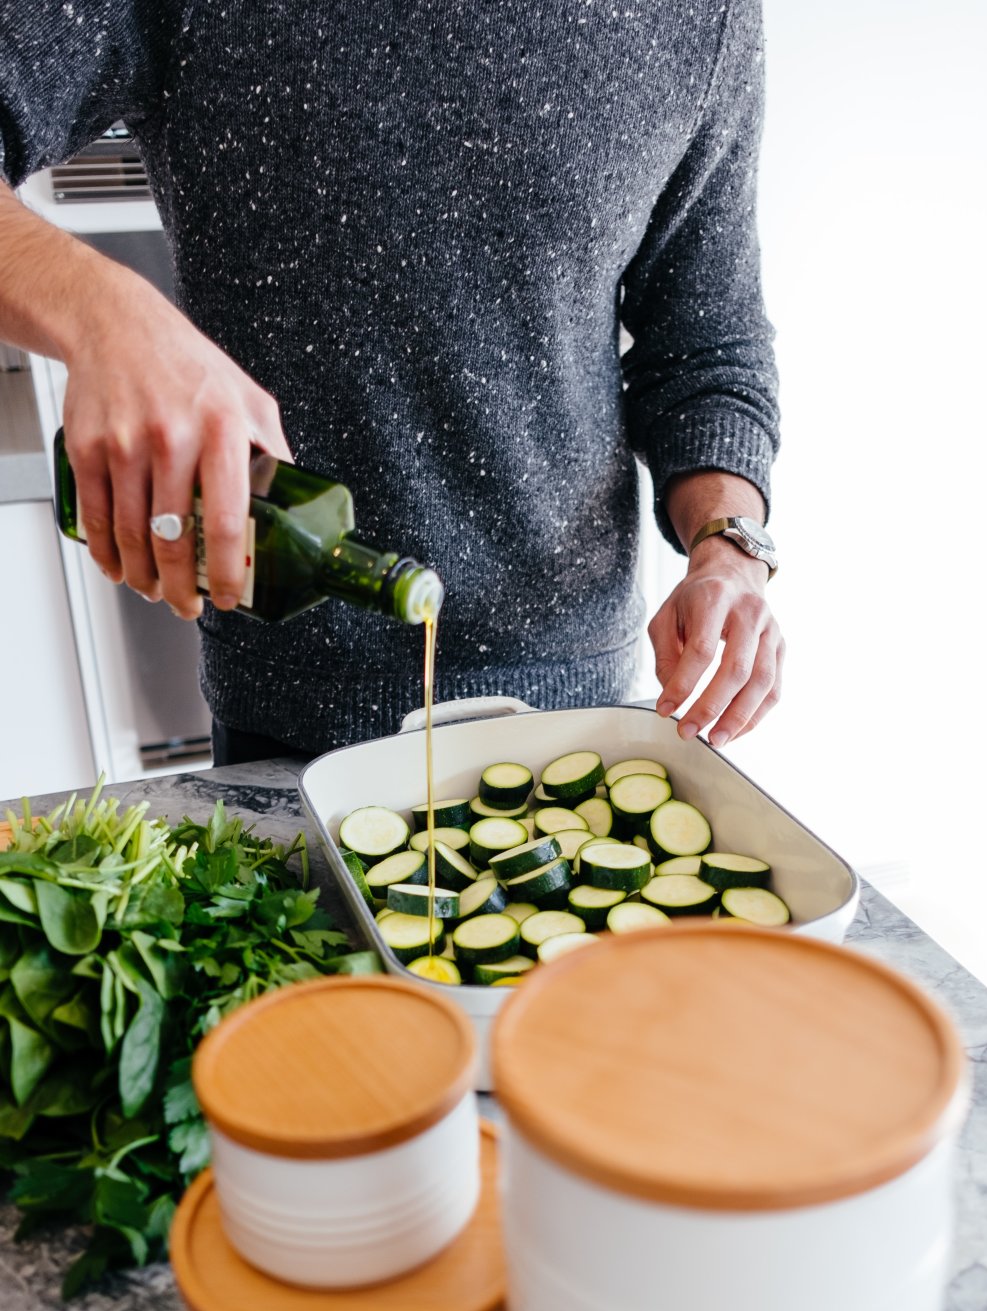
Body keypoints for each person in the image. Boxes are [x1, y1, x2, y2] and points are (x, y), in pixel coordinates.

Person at [0, 0, 783, 765]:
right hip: (292, 704)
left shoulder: (703, 17)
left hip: (575, 698)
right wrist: (106, 313)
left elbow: (706, 343)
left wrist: (728, 547)